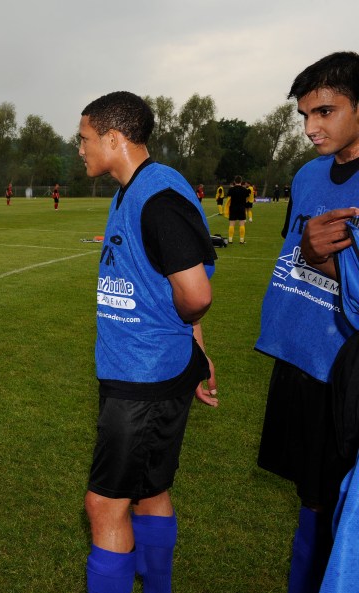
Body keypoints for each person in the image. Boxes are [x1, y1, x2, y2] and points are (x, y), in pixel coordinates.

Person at [78, 91, 217, 593]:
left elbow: (196, 293)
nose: (81, 148)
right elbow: (171, 281)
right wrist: (194, 347)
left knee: (104, 504)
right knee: (151, 491)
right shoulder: (134, 187)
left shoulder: (157, 197)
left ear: (115, 139)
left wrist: (183, 333)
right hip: (152, 368)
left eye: (86, 138)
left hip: (142, 376)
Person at [257, 50, 359, 593]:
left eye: (325, 112)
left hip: (347, 365)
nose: (310, 128)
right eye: (304, 116)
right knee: (312, 496)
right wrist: (310, 250)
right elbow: (298, 252)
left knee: (345, 499)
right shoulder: (308, 174)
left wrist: (335, 261)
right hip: (301, 356)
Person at [226, 176, 248, 244]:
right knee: (242, 224)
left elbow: (228, 198)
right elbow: (247, 198)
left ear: (234, 181)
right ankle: (241, 240)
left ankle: (230, 240)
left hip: (233, 208)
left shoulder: (231, 189)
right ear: (241, 181)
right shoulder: (244, 190)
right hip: (241, 208)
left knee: (231, 224)